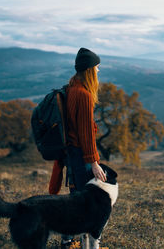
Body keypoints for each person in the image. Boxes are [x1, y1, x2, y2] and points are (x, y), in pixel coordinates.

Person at [49, 48, 106, 249]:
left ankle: (67, 240)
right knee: (81, 201)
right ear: (89, 70)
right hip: (79, 154)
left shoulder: (71, 87)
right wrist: (94, 162)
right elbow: (86, 134)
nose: (99, 71)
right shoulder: (83, 95)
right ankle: (76, 242)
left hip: (71, 152)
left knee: (74, 199)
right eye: (97, 68)